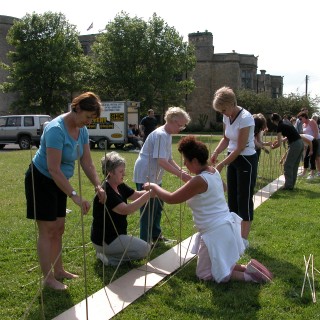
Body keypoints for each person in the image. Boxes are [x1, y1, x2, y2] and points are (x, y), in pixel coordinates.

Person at [143, 136, 272, 284]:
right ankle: (247, 267)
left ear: (195, 161)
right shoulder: (213, 171)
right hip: (223, 227)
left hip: (214, 233)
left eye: (186, 161)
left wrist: (154, 186)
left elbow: (172, 199)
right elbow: (220, 187)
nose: (184, 164)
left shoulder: (199, 180)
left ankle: (250, 277)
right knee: (218, 265)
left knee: (205, 274)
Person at [25, 92, 106, 290]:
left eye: (92, 119)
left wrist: (97, 184)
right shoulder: (56, 130)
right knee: (47, 229)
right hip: (41, 180)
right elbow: (53, 168)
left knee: (59, 227)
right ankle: (48, 278)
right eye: (87, 117)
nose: (88, 122)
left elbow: (86, 161)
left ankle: (59, 270)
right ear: (76, 108)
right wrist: (75, 196)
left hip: (60, 180)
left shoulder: (81, 130)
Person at [133, 106, 192, 244]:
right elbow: (161, 161)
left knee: (158, 206)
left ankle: (156, 235)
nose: (180, 129)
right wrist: (180, 175)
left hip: (155, 175)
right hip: (146, 174)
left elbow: (169, 159)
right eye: (180, 125)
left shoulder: (167, 135)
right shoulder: (160, 135)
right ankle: (145, 242)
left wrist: (181, 171)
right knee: (147, 209)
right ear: (171, 120)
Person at [210, 86, 257, 249]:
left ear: (231, 104)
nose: (223, 113)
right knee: (232, 198)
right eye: (220, 111)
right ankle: (234, 234)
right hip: (233, 158)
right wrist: (216, 152)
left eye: (223, 110)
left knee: (244, 198)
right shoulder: (226, 116)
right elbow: (226, 139)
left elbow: (240, 147)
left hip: (246, 159)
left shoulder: (246, 118)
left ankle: (244, 239)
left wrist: (223, 163)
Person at [91, 152, 154, 266]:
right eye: (121, 171)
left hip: (116, 236)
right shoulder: (106, 191)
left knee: (143, 248)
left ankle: (107, 255)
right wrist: (148, 195)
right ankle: (109, 259)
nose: (124, 173)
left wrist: (155, 190)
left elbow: (136, 195)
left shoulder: (119, 184)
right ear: (110, 173)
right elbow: (126, 209)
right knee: (144, 249)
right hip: (106, 240)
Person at [270, 113, 304, 190]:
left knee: (287, 165)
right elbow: (289, 135)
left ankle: (288, 186)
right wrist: (280, 140)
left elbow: (279, 144)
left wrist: (272, 147)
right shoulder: (286, 122)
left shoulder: (279, 127)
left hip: (295, 144)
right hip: (300, 143)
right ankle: (291, 184)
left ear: (273, 121)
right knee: (294, 165)